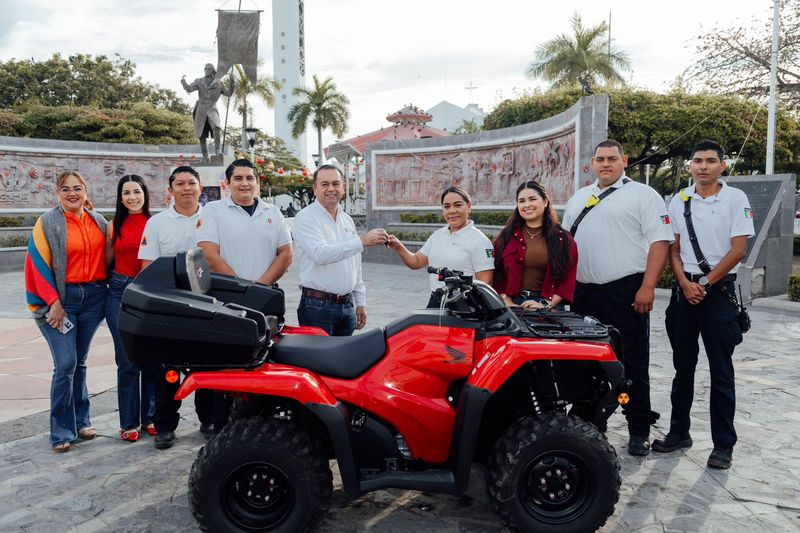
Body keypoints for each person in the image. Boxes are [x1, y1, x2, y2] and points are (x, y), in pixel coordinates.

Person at [561, 139, 673, 456]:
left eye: (612, 158)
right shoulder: (580, 198)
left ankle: (638, 428)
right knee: (585, 363)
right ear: (592, 164)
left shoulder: (643, 196)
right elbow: (565, 245)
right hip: (583, 294)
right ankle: (589, 423)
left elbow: (660, 242)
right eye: (600, 159)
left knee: (632, 363)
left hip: (626, 292)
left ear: (624, 160)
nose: (606, 164)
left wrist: (648, 286)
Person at [652, 140, 754, 469]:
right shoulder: (679, 200)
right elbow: (674, 248)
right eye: (698, 161)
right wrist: (684, 283)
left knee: (721, 372)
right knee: (683, 369)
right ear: (690, 165)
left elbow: (738, 249)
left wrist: (704, 284)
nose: (703, 166)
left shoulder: (735, 199)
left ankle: (723, 444)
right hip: (685, 293)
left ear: (722, 165)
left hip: (718, 292)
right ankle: (679, 433)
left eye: (711, 161)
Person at [24, 171, 108, 453]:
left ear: (86, 190)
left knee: (80, 362)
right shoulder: (47, 222)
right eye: (65, 189)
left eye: (78, 188)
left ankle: (82, 420)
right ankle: (61, 430)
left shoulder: (98, 221)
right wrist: (53, 302)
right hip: (61, 301)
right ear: (57, 193)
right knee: (66, 364)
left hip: (94, 298)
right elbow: (37, 263)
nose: (72, 193)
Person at [138, 165, 216, 449]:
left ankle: (209, 419)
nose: (186, 188)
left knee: (209, 366)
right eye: (180, 184)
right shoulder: (157, 223)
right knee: (167, 371)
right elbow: (148, 267)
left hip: (208, 305)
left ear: (200, 188)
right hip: (171, 308)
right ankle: (165, 426)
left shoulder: (212, 219)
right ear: (170, 190)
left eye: (191, 183)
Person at [292, 164, 388, 335]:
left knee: (344, 360)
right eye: (325, 184)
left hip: (347, 306)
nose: (331, 189)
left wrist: (360, 301)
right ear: (315, 189)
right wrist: (362, 241)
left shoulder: (347, 220)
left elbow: (355, 263)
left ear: (343, 188)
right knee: (319, 360)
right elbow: (321, 254)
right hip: (317, 307)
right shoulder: (306, 218)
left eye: (336, 184)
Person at [105, 175, 158, 442]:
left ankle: (150, 417)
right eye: (126, 193)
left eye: (136, 191)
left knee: (149, 359)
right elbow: (107, 262)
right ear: (121, 197)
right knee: (127, 361)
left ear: (145, 194)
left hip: (148, 294)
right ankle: (128, 422)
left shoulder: (155, 223)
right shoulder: (114, 225)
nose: (132, 197)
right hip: (119, 292)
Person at [386, 186, 494, 308]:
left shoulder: (480, 241)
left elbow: (486, 283)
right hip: (436, 301)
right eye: (446, 206)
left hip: (465, 306)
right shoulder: (438, 235)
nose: (452, 211)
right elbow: (416, 262)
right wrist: (398, 246)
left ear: (469, 207)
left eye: (458, 205)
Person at [197, 158, 292, 284]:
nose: (244, 183)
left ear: (257, 182)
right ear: (227, 182)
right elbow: (208, 255)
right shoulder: (212, 211)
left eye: (249, 178)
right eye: (238, 178)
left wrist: (261, 285)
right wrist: (242, 287)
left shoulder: (273, 212)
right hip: (226, 293)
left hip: (267, 292)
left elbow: (286, 254)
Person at [492, 180, 578, 309]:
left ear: (545, 201)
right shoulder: (506, 236)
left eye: (532, 199)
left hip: (547, 305)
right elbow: (496, 273)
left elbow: (567, 279)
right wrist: (506, 299)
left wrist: (544, 305)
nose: (527, 205)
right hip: (511, 304)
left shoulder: (563, 238)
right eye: (521, 201)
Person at [181, 63, 233, 162]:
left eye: (209, 69)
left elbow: (229, 93)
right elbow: (189, 89)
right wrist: (183, 82)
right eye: (205, 69)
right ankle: (205, 157)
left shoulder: (219, 83)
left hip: (212, 107)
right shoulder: (199, 81)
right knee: (201, 134)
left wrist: (232, 83)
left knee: (216, 128)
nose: (206, 70)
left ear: (213, 71)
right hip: (201, 108)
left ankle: (217, 151)